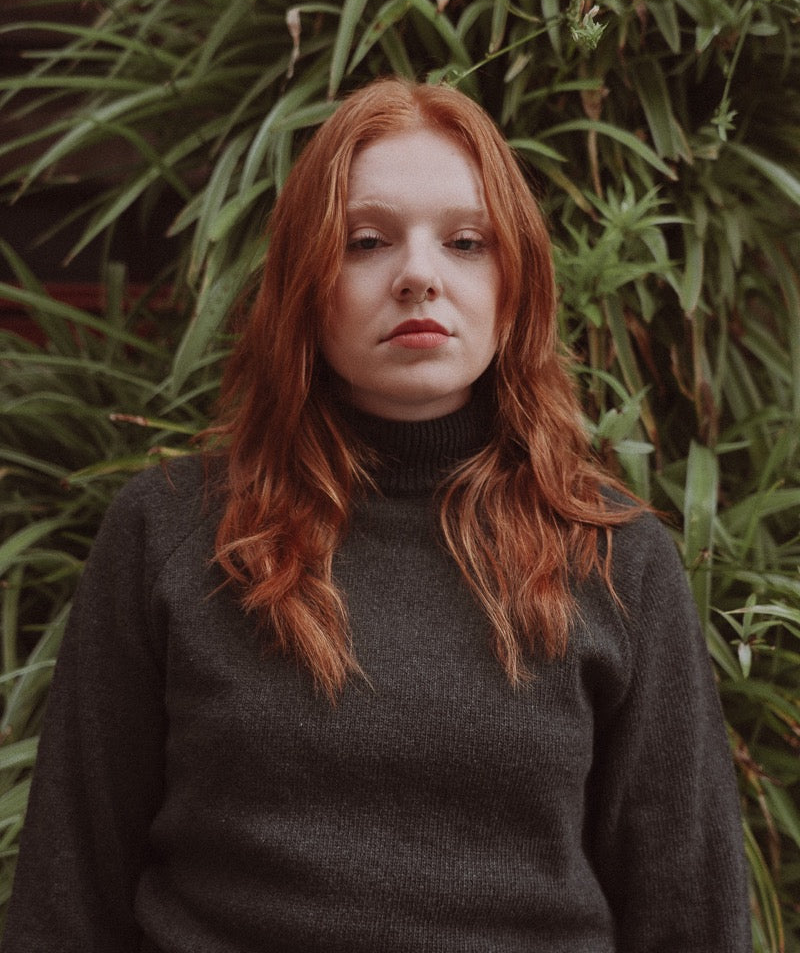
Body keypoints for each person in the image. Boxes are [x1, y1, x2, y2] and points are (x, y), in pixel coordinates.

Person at [2, 77, 751, 952]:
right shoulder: (169, 532)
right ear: (306, 284)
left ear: (515, 285)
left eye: (467, 241)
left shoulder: (616, 559)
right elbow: (69, 893)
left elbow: (689, 912)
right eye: (366, 241)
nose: (419, 276)